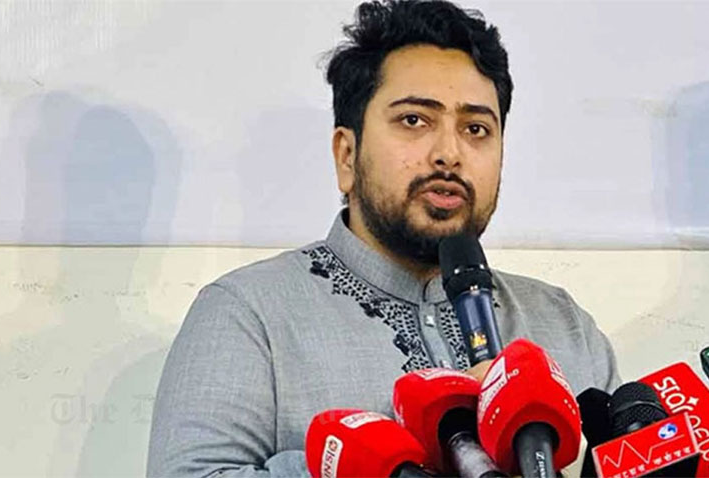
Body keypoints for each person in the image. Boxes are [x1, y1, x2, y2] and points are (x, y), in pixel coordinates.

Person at [147, 1, 621, 476]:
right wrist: (379, 460)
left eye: (476, 129)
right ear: (346, 155)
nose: (449, 153)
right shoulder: (249, 313)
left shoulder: (563, 325)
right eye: (414, 120)